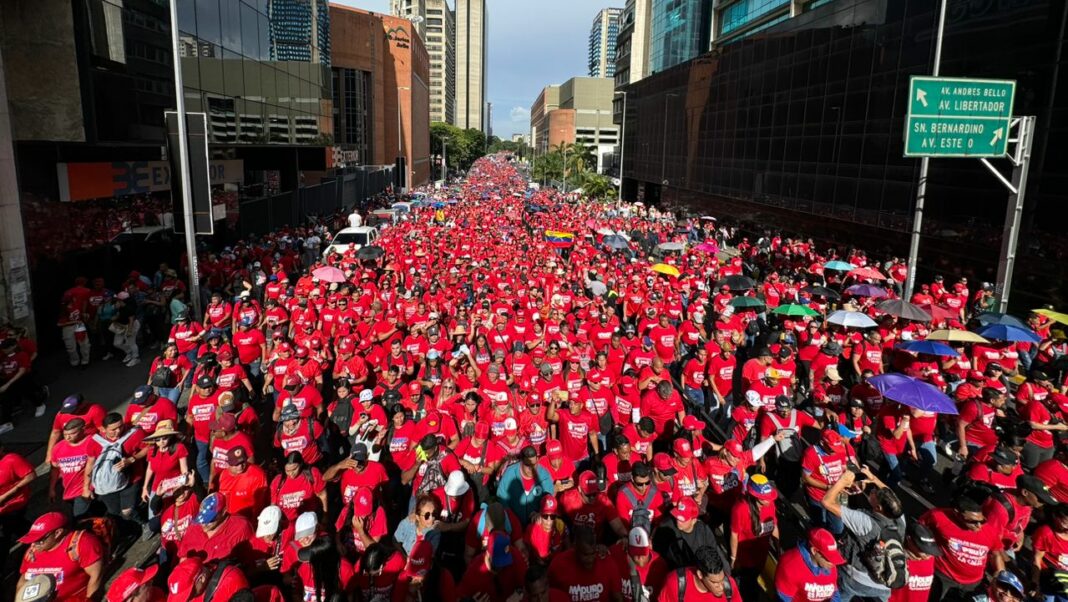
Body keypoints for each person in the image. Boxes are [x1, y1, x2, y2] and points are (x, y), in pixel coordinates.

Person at [820, 464, 906, 602]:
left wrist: (842, 481)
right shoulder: (900, 518)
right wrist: (874, 479)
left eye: (874, 493)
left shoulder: (865, 522)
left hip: (857, 578)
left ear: (878, 507)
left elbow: (826, 502)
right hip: (884, 583)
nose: (872, 490)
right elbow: (891, 496)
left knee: (841, 596)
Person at [920, 495, 1007, 600]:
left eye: (982, 521)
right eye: (973, 521)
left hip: (974, 584)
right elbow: (919, 532)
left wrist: (1001, 575)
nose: (979, 526)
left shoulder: (990, 530)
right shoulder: (937, 516)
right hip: (943, 578)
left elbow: (996, 553)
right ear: (957, 513)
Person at [17, 511, 105, 602]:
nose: (34, 544)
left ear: (58, 533)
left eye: (39, 540)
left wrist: (90, 600)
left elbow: (96, 576)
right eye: (32, 539)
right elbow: (23, 580)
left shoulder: (82, 543)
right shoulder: (33, 551)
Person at [729, 474, 779, 602]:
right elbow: (734, 535)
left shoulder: (771, 505)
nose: (768, 500)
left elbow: (774, 526)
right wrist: (734, 558)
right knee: (747, 587)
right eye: (765, 498)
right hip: (746, 557)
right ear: (754, 496)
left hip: (761, 555)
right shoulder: (740, 509)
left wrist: (778, 549)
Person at [547, 525, 624, 601]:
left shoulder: (607, 562)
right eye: (585, 554)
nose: (590, 559)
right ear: (575, 547)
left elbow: (618, 598)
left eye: (593, 553)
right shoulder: (558, 564)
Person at [774, 528, 846, 602]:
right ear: (814, 550)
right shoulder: (790, 566)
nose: (833, 563)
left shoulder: (828, 564)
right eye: (829, 558)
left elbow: (834, 591)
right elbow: (783, 598)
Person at [652, 497, 723, 570]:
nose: (678, 521)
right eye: (677, 516)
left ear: (694, 520)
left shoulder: (703, 530)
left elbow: (714, 552)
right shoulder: (665, 529)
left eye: (682, 519)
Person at [458, 531, 529, 601]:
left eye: (505, 560)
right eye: (498, 561)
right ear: (487, 554)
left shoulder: (515, 556)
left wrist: (520, 594)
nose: (501, 566)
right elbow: (458, 598)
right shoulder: (474, 572)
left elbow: (528, 586)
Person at [656, 544, 742, 602]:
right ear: (700, 574)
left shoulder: (729, 586)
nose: (721, 587)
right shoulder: (675, 584)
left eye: (722, 579)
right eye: (714, 582)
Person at [497, 445, 555, 524]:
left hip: (537, 524)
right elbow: (501, 498)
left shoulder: (544, 476)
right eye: (528, 465)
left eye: (534, 464)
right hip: (513, 523)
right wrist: (511, 518)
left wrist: (540, 514)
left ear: (537, 460)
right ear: (521, 462)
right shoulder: (510, 473)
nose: (531, 469)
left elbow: (549, 500)